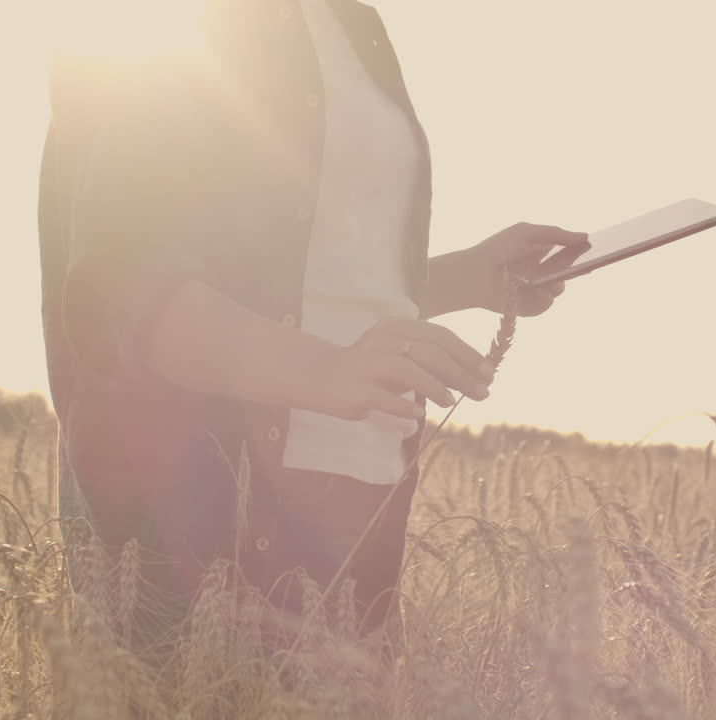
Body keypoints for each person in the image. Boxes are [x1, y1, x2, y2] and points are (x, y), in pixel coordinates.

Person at [37, 0, 589, 660]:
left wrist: (471, 278)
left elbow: (314, 283)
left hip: (356, 513)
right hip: (205, 515)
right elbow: (124, 287)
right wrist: (323, 371)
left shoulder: (356, 28)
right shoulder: (158, 32)